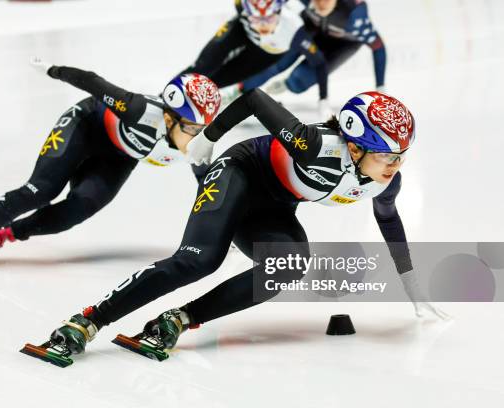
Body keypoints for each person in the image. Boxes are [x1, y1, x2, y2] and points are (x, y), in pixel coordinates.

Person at [38, 89, 447, 360]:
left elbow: (390, 225)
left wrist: (410, 284)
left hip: (274, 206)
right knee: (198, 260)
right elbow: (253, 98)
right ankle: (89, 319)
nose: (396, 166)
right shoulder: (315, 145)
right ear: (355, 146)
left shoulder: (383, 183)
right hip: (239, 172)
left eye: (402, 156)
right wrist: (208, 138)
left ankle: (178, 320)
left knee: (288, 265)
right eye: (388, 156)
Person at [0, 59, 221, 277]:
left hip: (117, 157)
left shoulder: (197, 145)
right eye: (193, 128)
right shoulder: (139, 110)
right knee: (40, 191)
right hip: (85, 127)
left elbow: (210, 194)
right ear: (168, 118)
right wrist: (53, 70)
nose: (198, 136)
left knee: (78, 210)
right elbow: (92, 82)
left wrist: (219, 236)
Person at [223, 0, 387, 118]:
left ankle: (286, 85)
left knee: (299, 80)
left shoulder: (356, 18)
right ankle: (239, 89)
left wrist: (381, 88)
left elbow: (378, 48)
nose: (321, 4)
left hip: (341, 44)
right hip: (312, 27)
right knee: (278, 61)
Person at [179, 0, 329, 102]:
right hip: (242, 31)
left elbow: (320, 62)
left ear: (279, 13)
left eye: (268, 19)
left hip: (266, 54)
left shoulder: (294, 31)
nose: (262, 26)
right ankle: (168, 95)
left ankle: (188, 100)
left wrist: (323, 99)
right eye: (257, 19)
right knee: (202, 66)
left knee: (217, 81)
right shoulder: (242, 5)